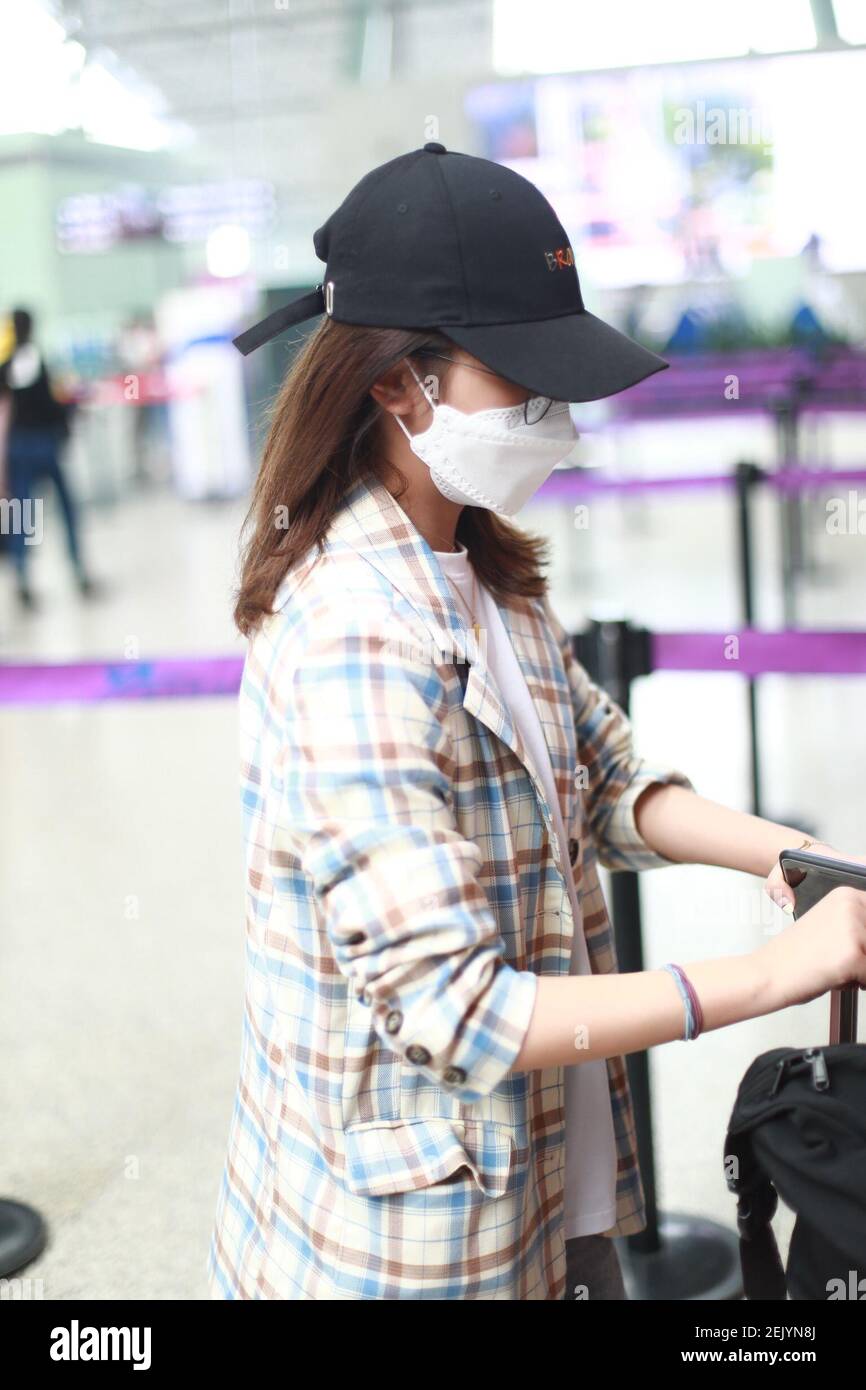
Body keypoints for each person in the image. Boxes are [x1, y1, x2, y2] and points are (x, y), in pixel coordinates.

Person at [206, 143, 866, 1301]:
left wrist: (786, 856)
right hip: (409, 1248)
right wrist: (764, 975)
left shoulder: (475, 562)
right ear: (394, 384)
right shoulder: (354, 635)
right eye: (521, 379)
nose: (550, 415)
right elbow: (454, 1008)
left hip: (552, 1181)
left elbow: (604, 776)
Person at [0, 307, 99, 609]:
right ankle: (78, 571)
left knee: (22, 516)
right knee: (66, 509)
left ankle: (23, 579)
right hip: (41, 445)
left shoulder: (6, 364)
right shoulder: (32, 359)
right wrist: (70, 409)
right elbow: (46, 403)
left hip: (18, 448)